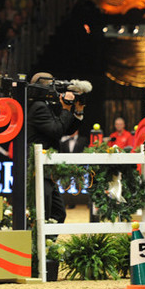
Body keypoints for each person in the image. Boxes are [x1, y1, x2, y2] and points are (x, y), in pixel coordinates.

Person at [27, 72, 90, 224]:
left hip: (48, 169)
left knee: (58, 213)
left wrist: (77, 110)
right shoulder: (38, 107)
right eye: (52, 86)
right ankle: (39, 246)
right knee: (45, 213)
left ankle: (47, 246)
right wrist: (66, 107)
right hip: (38, 168)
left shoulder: (46, 106)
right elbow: (57, 130)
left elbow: (66, 129)